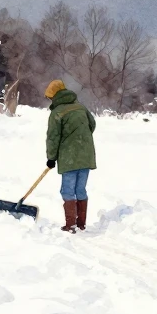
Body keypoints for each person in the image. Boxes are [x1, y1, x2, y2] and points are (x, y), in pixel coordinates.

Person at [44, 79, 96, 233]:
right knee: (80, 189)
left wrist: (51, 158)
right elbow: (92, 125)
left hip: (69, 157)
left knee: (68, 190)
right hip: (86, 155)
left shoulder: (57, 112)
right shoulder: (80, 107)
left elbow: (53, 137)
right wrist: (81, 140)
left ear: (54, 96)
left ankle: (70, 225)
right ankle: (81, 224)